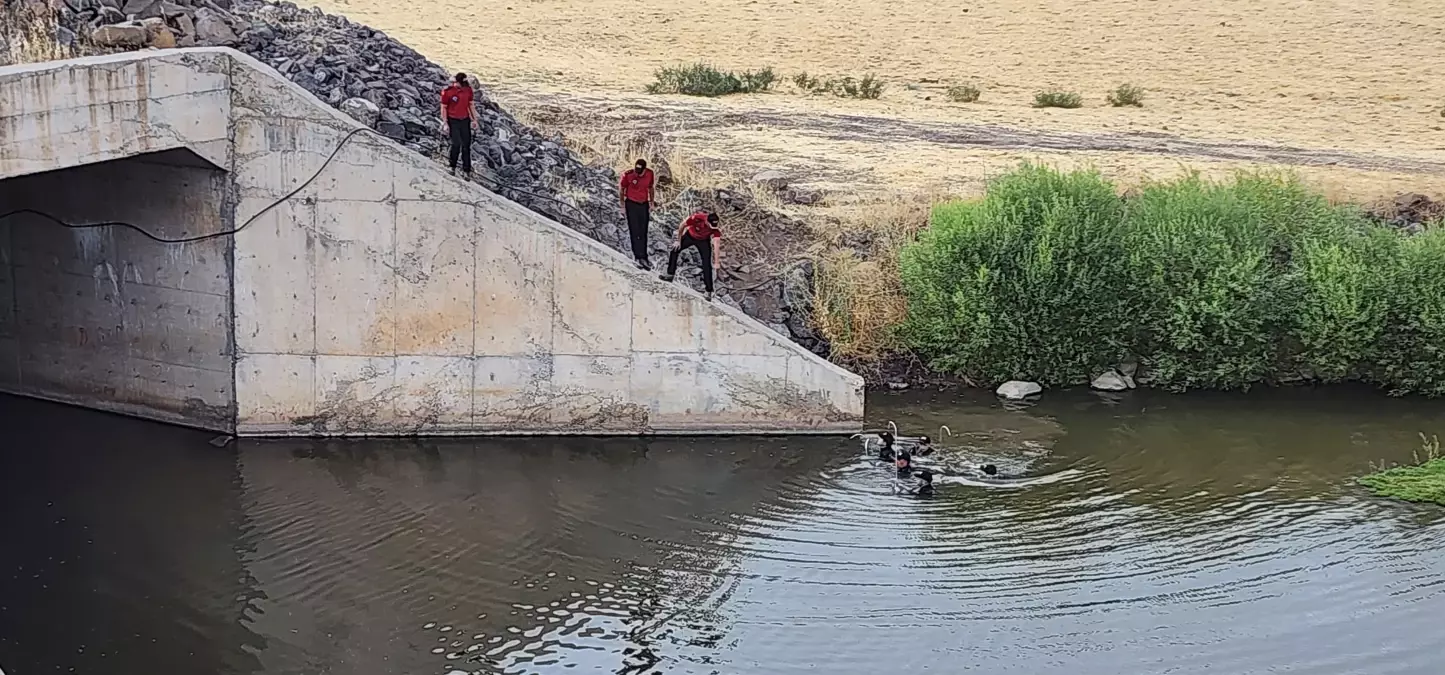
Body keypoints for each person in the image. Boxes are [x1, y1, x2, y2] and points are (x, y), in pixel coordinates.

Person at [659, 211, 722, 301]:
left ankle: (708, 291)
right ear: (707, 221)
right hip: (690, 235)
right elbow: (682, 225)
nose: (712, 228)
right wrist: (678, 241)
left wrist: (716, 262)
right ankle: (670, 274)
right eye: (710, 226)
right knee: (675, 250)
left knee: (706, 264)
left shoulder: (716, 229)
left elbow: (716, 244)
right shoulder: (697, 217)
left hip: (703, 241)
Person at [440, 72, 480, 178]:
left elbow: (471, 106)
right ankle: (452, 166)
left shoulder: (468, 91)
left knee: (466, 146)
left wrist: (474, 120)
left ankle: (466, 170)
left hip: (465, 120)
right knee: (456, 144)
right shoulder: (447, 92)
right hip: (453, 121)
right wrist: (445, 123)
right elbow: (444, 107)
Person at [620, 159, 657, 269]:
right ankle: (637, 256)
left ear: (644, 169)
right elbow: (622, 189)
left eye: (640, 171)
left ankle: (644, 256)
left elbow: (650, 187)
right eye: (637, 170)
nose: (637, 173)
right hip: (631, 204)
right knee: (634, 230)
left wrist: (652, 202)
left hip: (643, 204)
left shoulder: (650, 174)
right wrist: (622, 206)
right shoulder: (628, 175)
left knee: (643, 231)